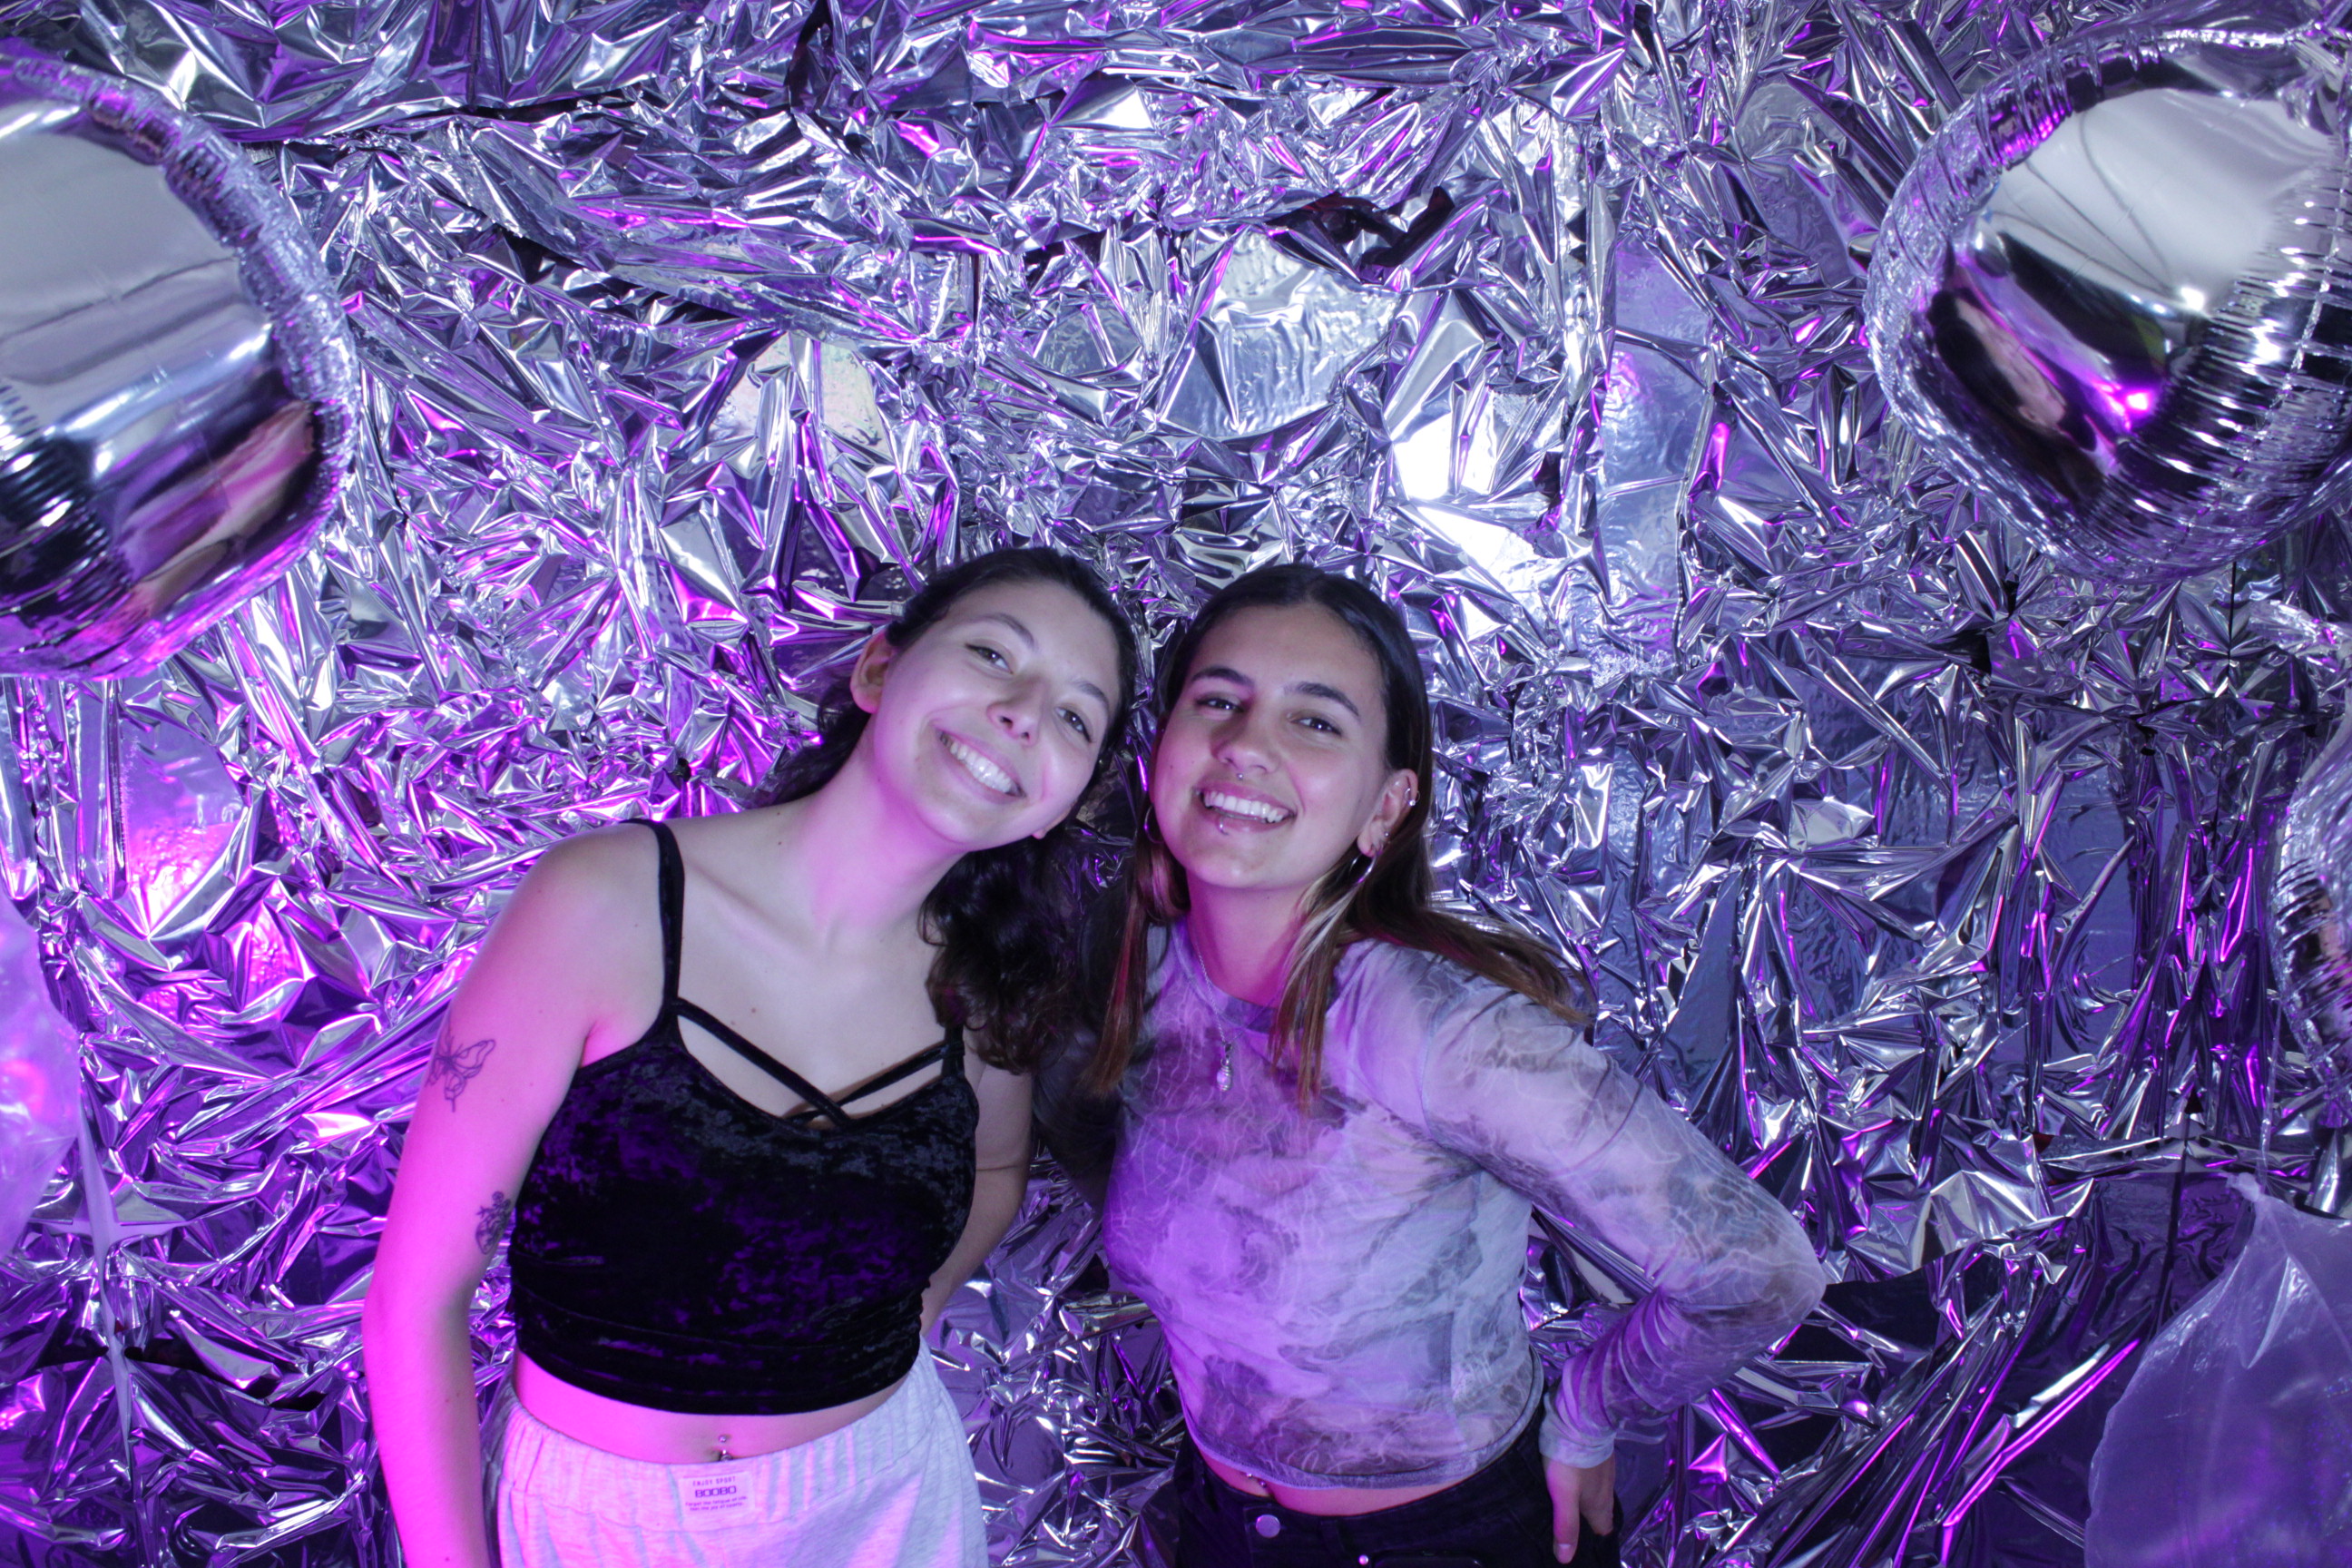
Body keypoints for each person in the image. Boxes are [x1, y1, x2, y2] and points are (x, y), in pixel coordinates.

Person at [364, 547, 1137, 1568]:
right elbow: (415, 1303)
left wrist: (882, 1324)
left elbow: (996, 1171)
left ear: (1069, 800)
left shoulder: (983, 985)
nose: (1026, 713)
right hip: (598, 1524)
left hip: (884, 1508)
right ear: (878, 669)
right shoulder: (604, 902)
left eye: (1076, 716)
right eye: (994, 654)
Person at [1063, 564, 1825, 1568]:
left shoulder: (1436, 1030)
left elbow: (1760, 1269)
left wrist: (1587, 1416)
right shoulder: (1143, 974)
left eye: (1315, 721)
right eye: (1218, 700)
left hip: (1443, 1542)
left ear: (1385, 808)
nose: (1247, 744)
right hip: (1219, 1524)